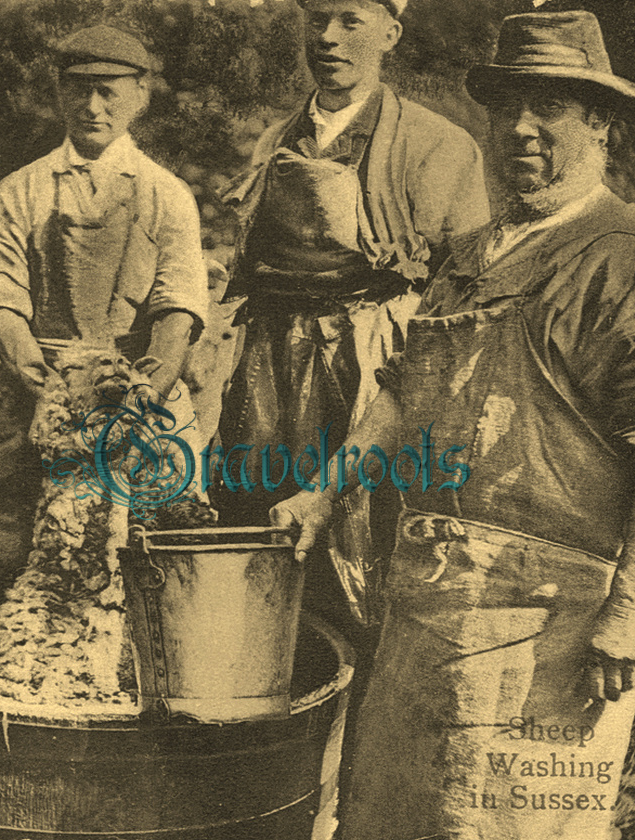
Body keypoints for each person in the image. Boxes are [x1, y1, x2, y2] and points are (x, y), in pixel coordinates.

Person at [271, 11, 635, 839]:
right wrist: (324, 491)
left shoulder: (630, 262)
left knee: (506, 827)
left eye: (550, 109)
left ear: (602, 124)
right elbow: (401, 395)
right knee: (389, 819)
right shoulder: (472, 255)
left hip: (547, 629)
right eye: (507, 108)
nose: (522, 130)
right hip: (425, 614)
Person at [215, 0, 490, 629]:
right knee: (259, 511)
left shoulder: (439, 146)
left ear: (390, 34)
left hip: (375, 360)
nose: (329, 38)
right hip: (274, 361)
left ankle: (360, 684)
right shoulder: (276, 140)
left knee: (370, 527)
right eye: (317, 20)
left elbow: (466, 293)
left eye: (351, 21)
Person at [0, 25, 209, 581]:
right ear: (59, 93)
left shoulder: (167, 193)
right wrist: (50, 393)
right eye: (79, 88)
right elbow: (3, 299)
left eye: (110, 90)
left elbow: (178, 309)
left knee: (156, 551)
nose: (93, 105)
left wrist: (143, 396)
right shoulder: (20, 189)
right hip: (38, 390)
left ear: (141, 95)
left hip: (138, 392)